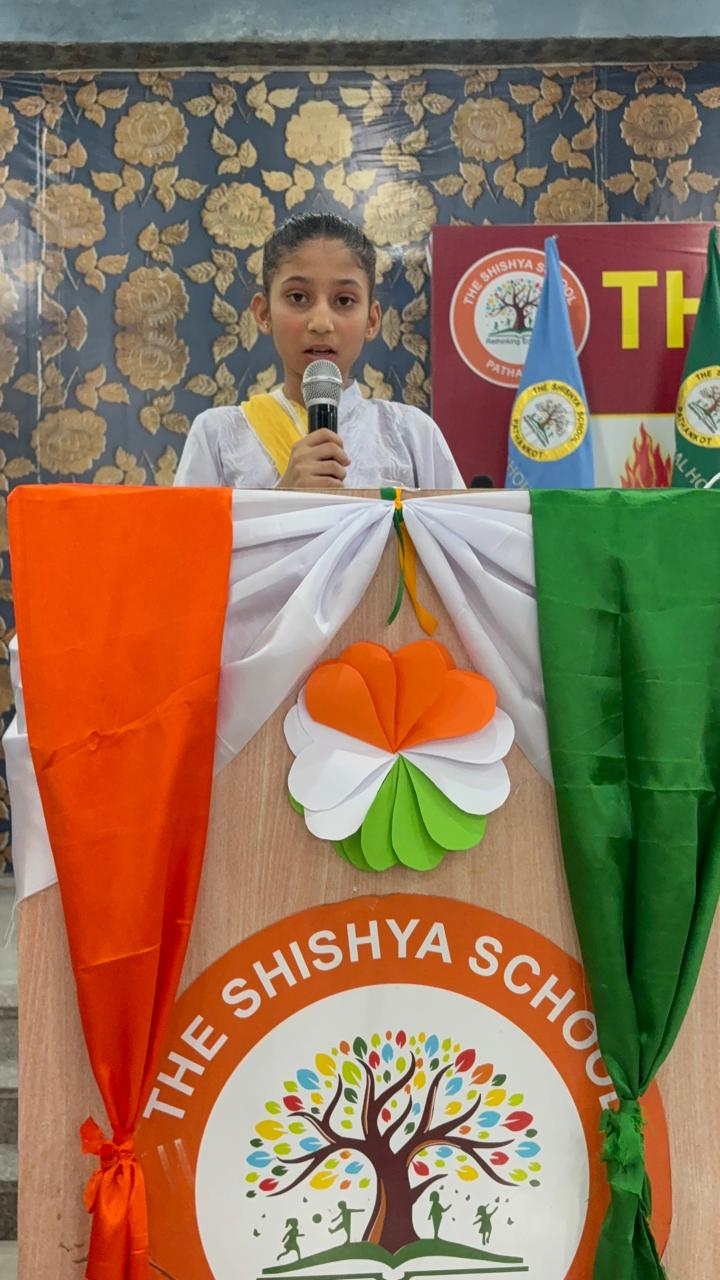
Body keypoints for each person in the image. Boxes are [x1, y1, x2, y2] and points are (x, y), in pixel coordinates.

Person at [175, 212, 465, 490]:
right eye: (298, 297)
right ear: (264, 313)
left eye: (344, 300)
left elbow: (455, 525)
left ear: (372, 320)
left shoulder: (411, 434)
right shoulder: (218, 435)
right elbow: (184, 528)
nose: (322, 323)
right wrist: (284, 496)